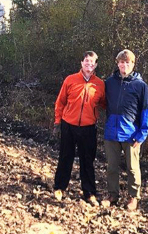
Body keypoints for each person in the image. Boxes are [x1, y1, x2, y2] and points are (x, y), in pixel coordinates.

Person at [53, 51, 106, 205]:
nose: (89, 64)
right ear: (82, 63)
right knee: (65, 157)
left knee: (87, 160)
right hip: (68, 125)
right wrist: (57, 122)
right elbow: (60, 102)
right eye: (86, 61)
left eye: (92, 62)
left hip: (89, 128)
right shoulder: (70, 80)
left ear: (96, 65)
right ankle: (59, 188)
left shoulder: (100, 84)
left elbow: (104, 103)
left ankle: (89, 193)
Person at [102, 49, 148, 211]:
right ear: (118, 64)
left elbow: (146, 111)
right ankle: (112, 195)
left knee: (132, 167)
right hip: (111, 132)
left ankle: (133, 197)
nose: (124, 65)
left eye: (127, 62)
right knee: (112, 167)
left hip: (131, 134)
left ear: (133, 64)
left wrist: (142, 134)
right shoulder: (109, 82)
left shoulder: (140, 86)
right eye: (122, 62)